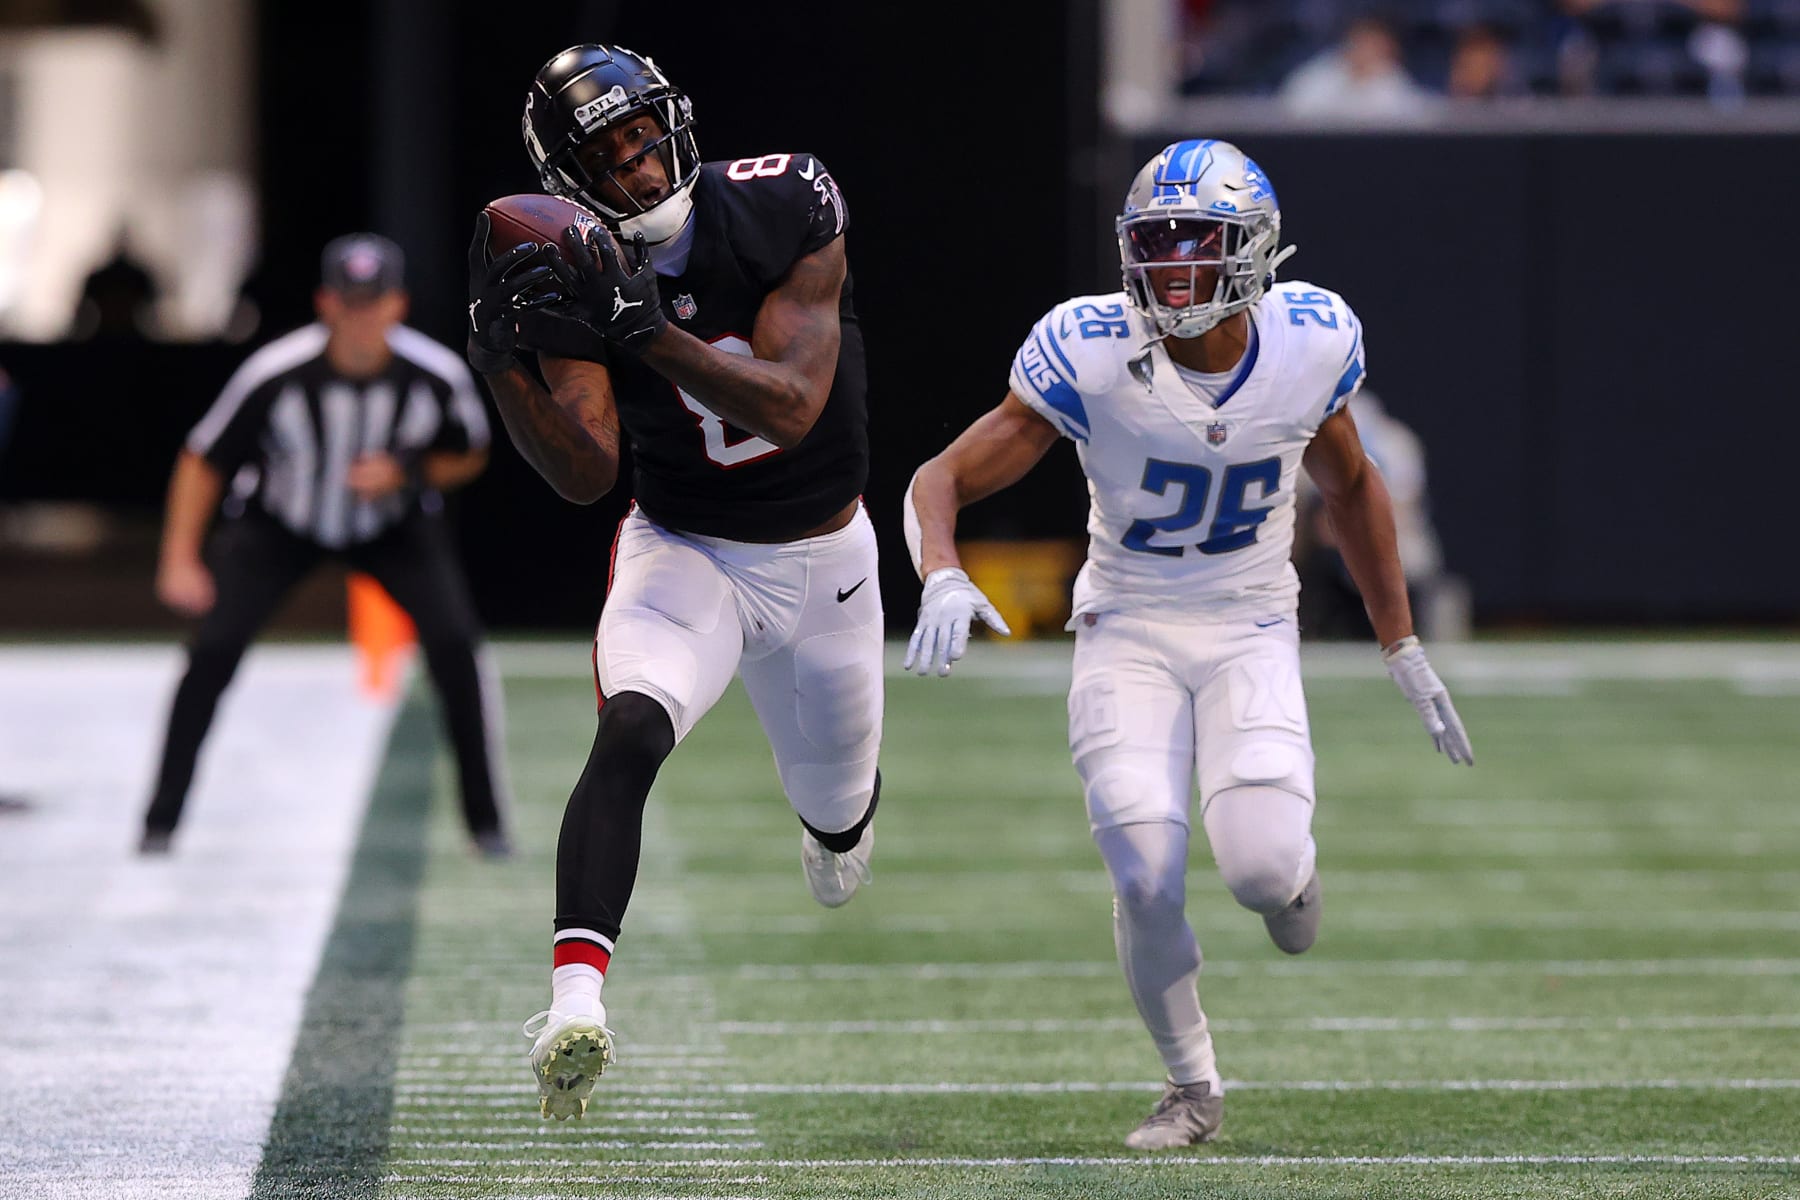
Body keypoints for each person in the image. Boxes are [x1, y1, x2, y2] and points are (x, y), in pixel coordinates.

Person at [903, 139, 1474, 1149]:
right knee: (1144, 866)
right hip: (1126, 624)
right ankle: (1192, 1085)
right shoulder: (1089, 346)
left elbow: (1352, 485)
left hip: (1250, 621)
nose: (1169, 266)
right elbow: (940, 479)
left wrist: (1403, 647)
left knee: (1260, 873)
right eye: (1153, 243)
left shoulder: (1308, 340)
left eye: (1194, 242)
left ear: (1250, 250)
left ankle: (1291, 878)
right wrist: (942, 569)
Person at [464, 44, 881, 1120]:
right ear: (571, 178)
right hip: (686, 548)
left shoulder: (786, 202)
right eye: (607, 156)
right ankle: (572, 1002)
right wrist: (503, 368)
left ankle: (835, 827)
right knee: (632, 728)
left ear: (674, 124)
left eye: (643, 137)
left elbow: (789, 406)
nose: (640, 170)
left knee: (837, 821)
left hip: (827, 555)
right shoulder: (569, 263)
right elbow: (587, 469)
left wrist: (646, 328)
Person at [139, 233, 513, 858]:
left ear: (397, 305)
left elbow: (469, 453)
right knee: (212, 652)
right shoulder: (276, 373)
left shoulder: (436, 375)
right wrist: (179, 557)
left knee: (455, 648)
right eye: (348, 301)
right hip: (281, 523)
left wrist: (407, 473)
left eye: (373, 301)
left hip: (393, 525)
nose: (359, 316)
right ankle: (160, 821)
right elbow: (203, 458)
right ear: (325, 303)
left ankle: (486, 823)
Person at [1279, 13, 1437, 120]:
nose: (1368, 51)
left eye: (1376, 45)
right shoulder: (1319, 75)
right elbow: (1292, 112)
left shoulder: (1395, 82)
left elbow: (1413, 116)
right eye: (1364, 42)